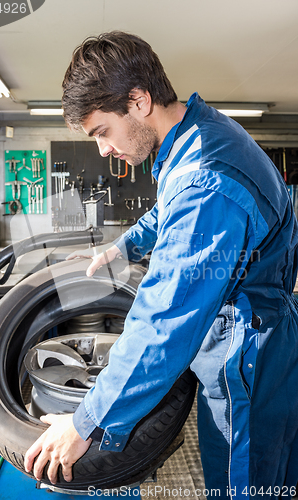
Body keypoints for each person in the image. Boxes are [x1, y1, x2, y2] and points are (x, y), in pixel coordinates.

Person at [25, 31, 298, 497]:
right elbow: (165, 213)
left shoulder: (206, 182)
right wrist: (120, 248)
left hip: (246, 358)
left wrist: (86, 420)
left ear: (138, 100)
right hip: (262, 340)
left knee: (244, 487)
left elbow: (165, 318)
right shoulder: (196, 137)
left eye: (102, 132)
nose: (103, 150)